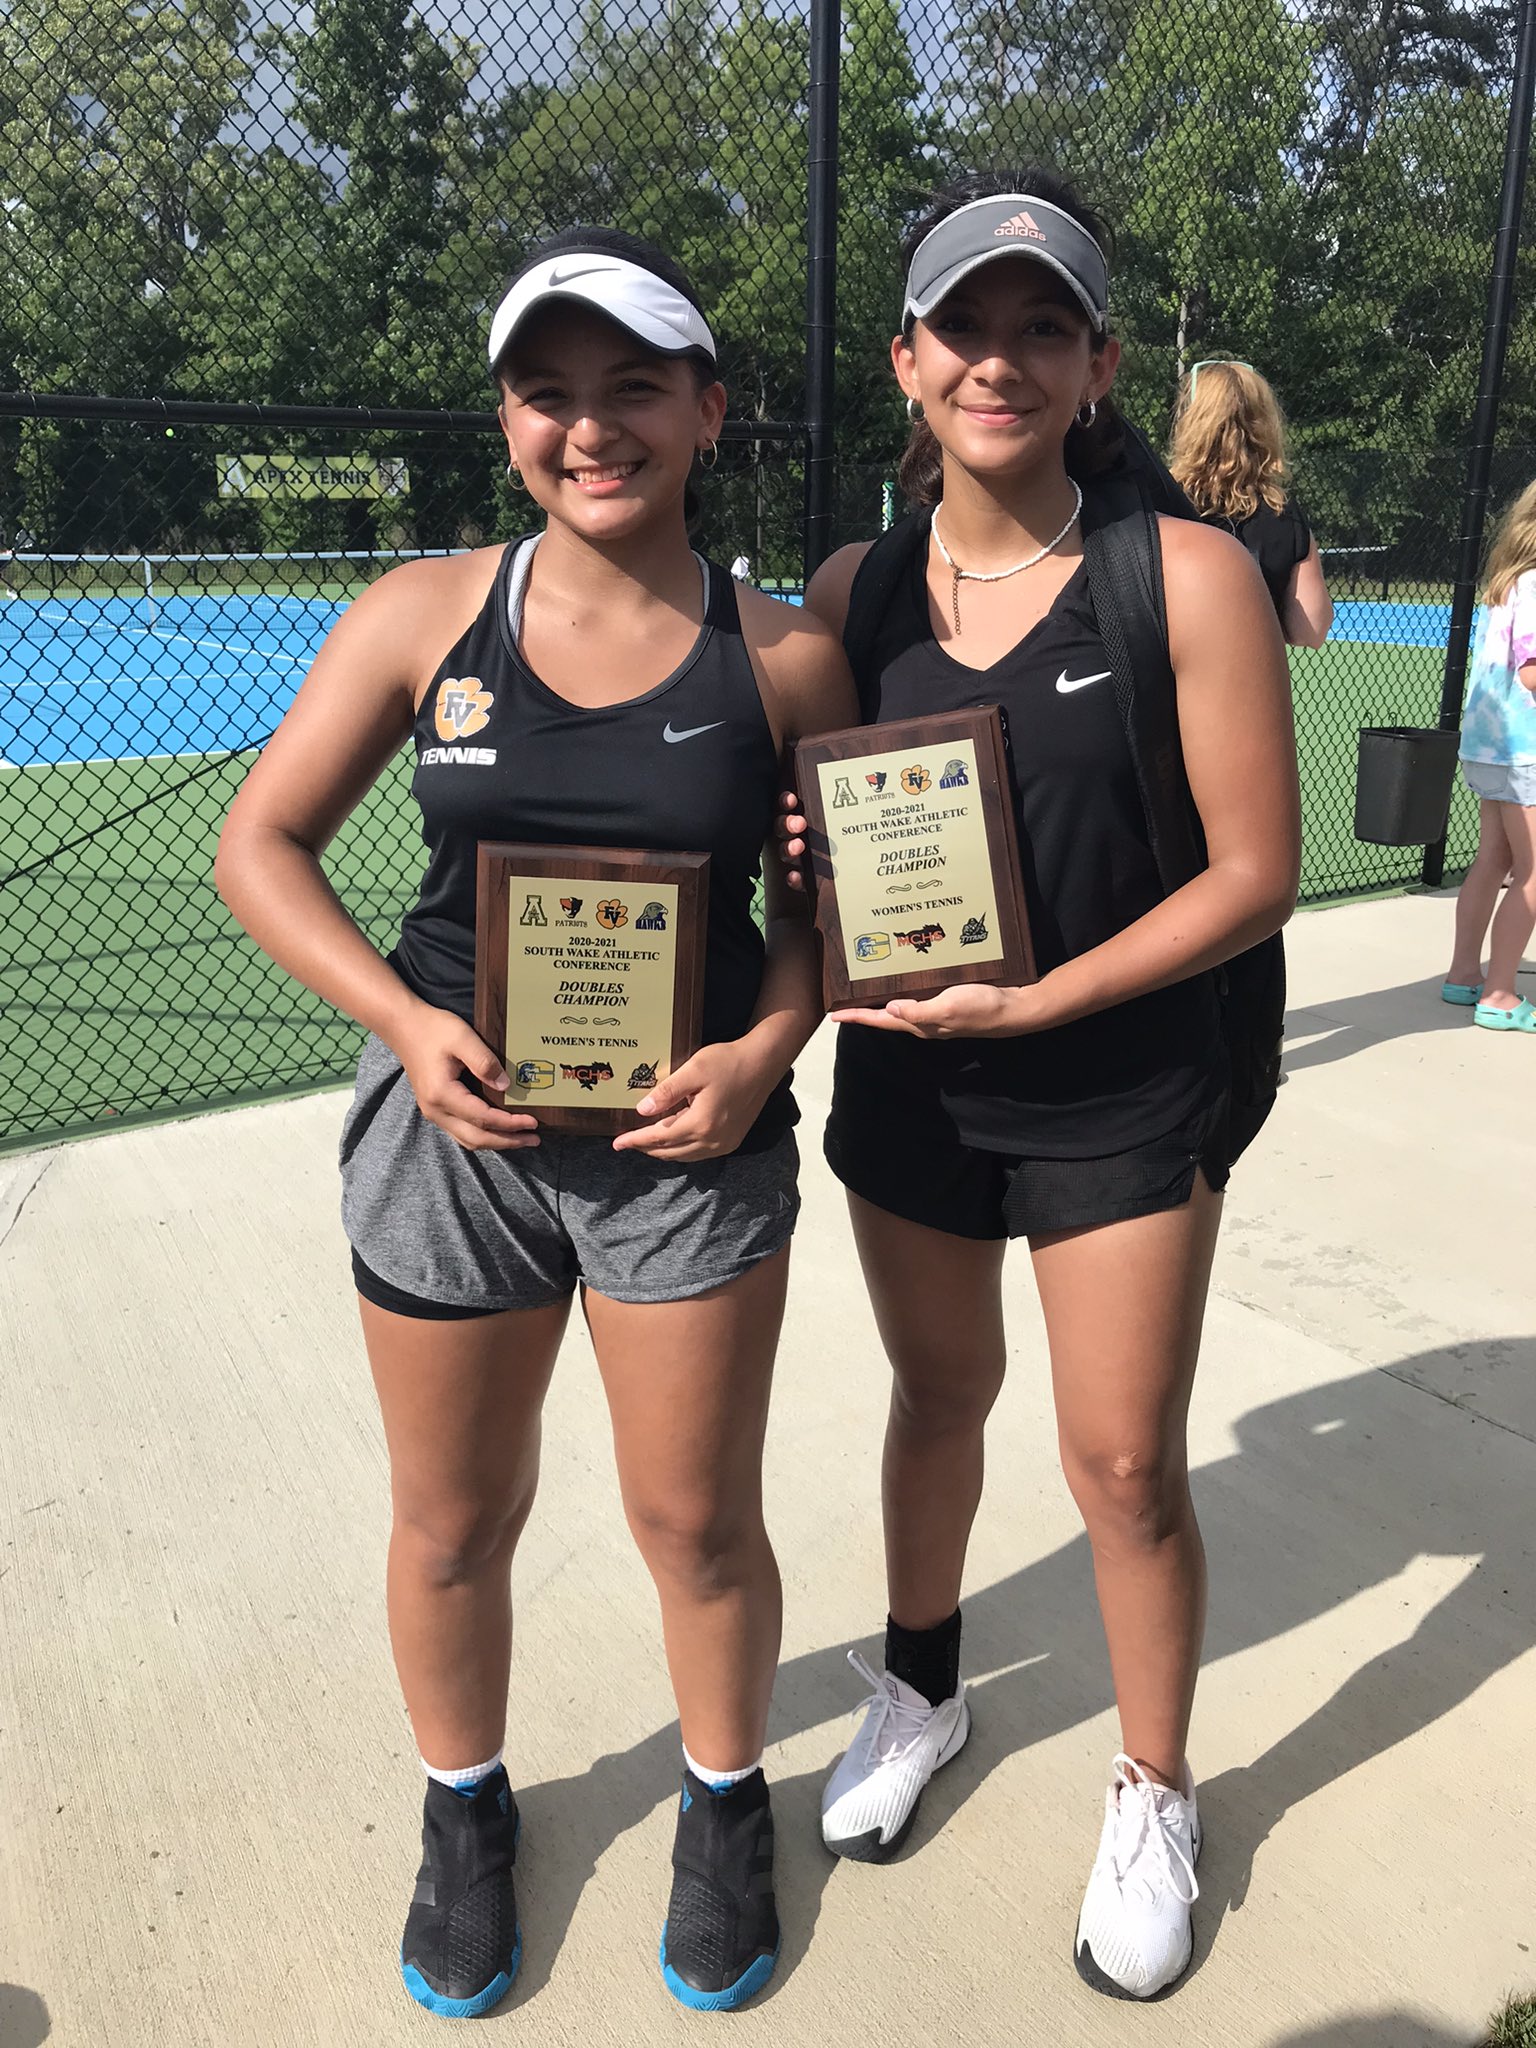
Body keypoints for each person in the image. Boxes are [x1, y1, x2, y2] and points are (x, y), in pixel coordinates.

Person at [215, 227, 856, 2017]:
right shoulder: (423, 616)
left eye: (633, 386)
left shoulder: (786, 659)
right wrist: (408, 1021)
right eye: (547, 391)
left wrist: (766, 1047)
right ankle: (463, 1806)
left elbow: (827, 920)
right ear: (509, 417)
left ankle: (726, 1807)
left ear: (708, 409)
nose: (590, 426)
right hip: (457, 1143)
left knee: (695, 1521)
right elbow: (258, 845)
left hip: (687, 1139)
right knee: (449, 1522)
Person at [780, 170, 1299, 1999]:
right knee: (938, 1395)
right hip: (917, 1081)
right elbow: (801, 843)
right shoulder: (849, 591)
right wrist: (798, 848)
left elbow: (1255, 872)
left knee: (1122, 1461)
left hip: (1122, 1088)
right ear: (907, 357)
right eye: (965, 327)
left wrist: (1050, 994)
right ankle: (919, 1687)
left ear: (1097, 363)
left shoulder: (1188, 573)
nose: (1000, 360)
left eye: (1043, 327)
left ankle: (1155, 1786)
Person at [1442, 479, 1536, 1030]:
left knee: (1494, 859)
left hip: (1489, 747)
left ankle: (1463, 974)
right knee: (1532, 872)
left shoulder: (1508, 583)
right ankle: (1500, 993)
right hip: (1525, 750)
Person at [1168, 357, 1333, 648]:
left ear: (1190, 421)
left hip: (1167, 682)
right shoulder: (1284, 515)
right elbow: (1311, 629)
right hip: (1251, 683)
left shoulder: (1158, 500)